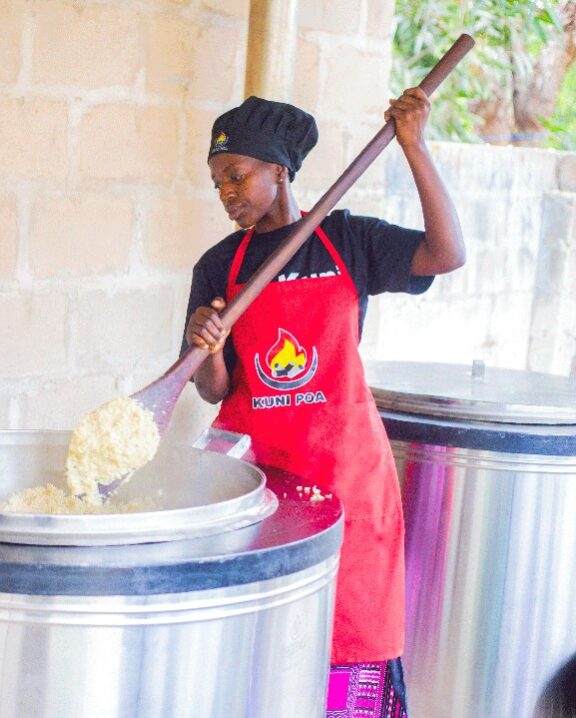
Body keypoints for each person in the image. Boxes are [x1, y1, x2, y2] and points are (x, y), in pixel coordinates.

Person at [182, 90, 465, 716]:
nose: (226, 192)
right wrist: (209, 345)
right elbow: (212, 389)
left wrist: (415, 147)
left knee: (350, 648)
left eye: (236, 175)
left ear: (279, 169)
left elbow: (446, 255)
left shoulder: (347, 238)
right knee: (264, 657)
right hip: (260, 490)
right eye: (217, 181)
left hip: (347, 483)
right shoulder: (218, 265)